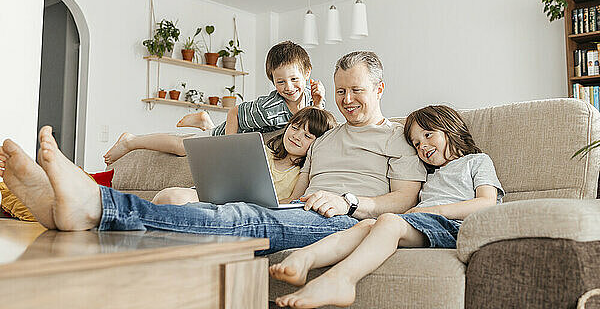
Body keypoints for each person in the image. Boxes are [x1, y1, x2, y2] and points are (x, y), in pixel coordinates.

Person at [0, 51, 426, 256]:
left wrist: (351, 201)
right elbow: (299, 183)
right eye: (340, 92)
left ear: (380, 89)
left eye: (357, 91)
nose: (347, 100)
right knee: (235, 209)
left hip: (343, 219)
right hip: (297, 208)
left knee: (239, 221)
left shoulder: (397, 137)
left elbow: (405, 200)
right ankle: (69, 211)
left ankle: (94, 206)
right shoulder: (327, 136)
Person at [270, 105, 505, 309]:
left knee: (389, 221)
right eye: (416, 143)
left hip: (455, 226)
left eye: (428, 135)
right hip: (423, 224)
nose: (422, 146)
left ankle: (342, 280)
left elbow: (486, 202)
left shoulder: (476, 161)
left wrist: (432, 212)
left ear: (450, 128)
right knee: (366, 225)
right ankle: (305, 259)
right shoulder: (429, 174)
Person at [103, 41, 326, 165]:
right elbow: (235, 112)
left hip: (243, 130)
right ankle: (131, 141)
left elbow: (313, 125)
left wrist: (318, 101)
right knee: (182, 147)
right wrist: (227, 148)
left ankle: (204, 121)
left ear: (307, 74)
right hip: (232, 129)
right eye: (280, 82)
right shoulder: (269, 108)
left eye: (294, 79)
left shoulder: (308, 94)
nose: (289, 87)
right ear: (272, 81)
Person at [152, 106, 337, 205]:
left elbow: (291, 201)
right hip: (221, 198)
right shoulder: (262, 151)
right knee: (167, 195)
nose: (296, 136)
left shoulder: (302, 174)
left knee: (174, 200)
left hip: (245, 210)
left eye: (307, 136)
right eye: (295, 128)